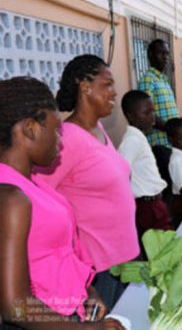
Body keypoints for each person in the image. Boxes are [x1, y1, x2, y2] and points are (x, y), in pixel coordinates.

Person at [0, 77, 124, 330]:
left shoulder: (33, 183)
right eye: (56, 129)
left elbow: (55, 255)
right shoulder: (11, 198)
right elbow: (16, 307)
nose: (61, 139)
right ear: (31, 128)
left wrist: (88, 292)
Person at [35, 55, 139, 312]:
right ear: (85, 87)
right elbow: (37, 198)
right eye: (108, 84)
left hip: (124, 257)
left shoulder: (98, 130)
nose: (115, 92)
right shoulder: (67, 138)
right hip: (97, 269)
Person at [118, 90, 172, 246]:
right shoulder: (131, 140)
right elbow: (121, 172)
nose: (152, 117)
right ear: (131, 116)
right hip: (147, 206)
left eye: (153, 111)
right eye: (146, 113)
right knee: (161, 249)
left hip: (154, 203)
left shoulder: (139, 137)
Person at [138, 39, 178, 148]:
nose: (165, 57)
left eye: (167, 54)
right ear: (151, 55)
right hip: (159, 143)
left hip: (171, 141)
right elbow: (147, 114)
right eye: (161, 53)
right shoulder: (147, 80)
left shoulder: (163, 80)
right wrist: (172, 129)